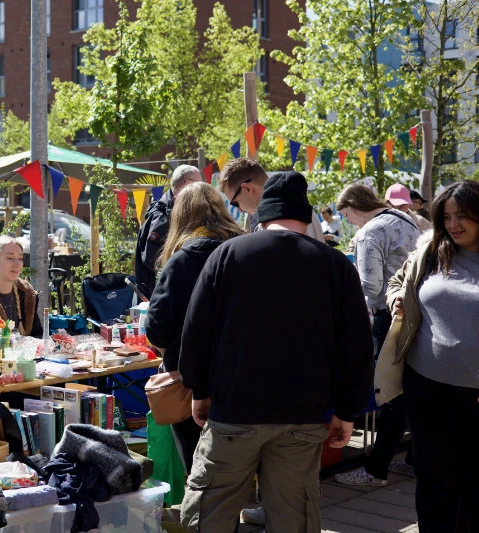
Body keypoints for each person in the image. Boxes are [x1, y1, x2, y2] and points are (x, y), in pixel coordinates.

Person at [177, 171, 373, 532]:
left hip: (234, 411)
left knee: (211, 513)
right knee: (293, 516)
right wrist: (347, 411)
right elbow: (357, 346)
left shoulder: (227, 255)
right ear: (305, 215)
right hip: (302, 415)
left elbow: (196, 331)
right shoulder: (333, 265)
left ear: (262, 214)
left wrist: (199, 390)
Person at [219, 158, 326, 527]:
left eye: (234, 200)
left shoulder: (298, 215)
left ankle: (279, 504)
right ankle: (274, 503)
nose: (235, 208)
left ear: (248, 188)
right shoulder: (257, 223)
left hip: (291, 350)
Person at [383, 181, 479, 531]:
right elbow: (396, 282)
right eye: (448, 217)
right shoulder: (431, 251)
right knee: (434, 475)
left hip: (475, 393)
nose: (454, 225)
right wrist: (397, 299)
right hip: (426, 384)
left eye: (464, 216)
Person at [144, 182, 244, 472]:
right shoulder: (244, 250)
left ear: (181, 216)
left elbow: (157, 325)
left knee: (198, 466)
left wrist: (172, 353)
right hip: (244, 372)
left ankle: (206, 517)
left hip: (191, 380)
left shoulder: (183, 259)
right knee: (241, 463)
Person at [334, 183, 419, 487]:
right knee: (409, 389)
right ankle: (412, 460)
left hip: (387, 314)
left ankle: (376, 469)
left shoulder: (370, 231)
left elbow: (369, 286)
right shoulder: (406, 219)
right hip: (414, 312)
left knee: (391, 391)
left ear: (354, 207)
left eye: (346, 215)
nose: (348, 221)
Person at [134, 165, 202, 299]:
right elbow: (154, 263)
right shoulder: (161, 218)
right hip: (158, 296)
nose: (201, 191)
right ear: (188, 184)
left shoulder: (176, 211)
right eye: (199, 184)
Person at [219, 158, 325, 242]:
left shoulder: (288, 214)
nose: (239, 210)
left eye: (235, 203)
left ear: (247, 188)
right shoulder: (301, 208)